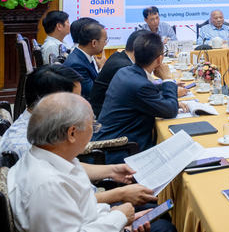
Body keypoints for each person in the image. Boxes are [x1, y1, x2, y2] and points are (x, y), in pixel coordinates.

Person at [0, 65, 161, 212]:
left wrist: (111, 170)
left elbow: (65, 166)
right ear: (54, 102)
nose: (83, 104)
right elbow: (62, 205)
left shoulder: (38, 126)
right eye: (77, 99)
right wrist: (118, 202)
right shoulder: (29, 144)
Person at [8, 93, 153, 232]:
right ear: (72, 133)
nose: (94, 130)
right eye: (93, 125)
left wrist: (111, 215)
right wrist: (118, 218)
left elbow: (82, 208)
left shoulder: (49, 156)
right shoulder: (47, 186)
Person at [94, 33, 188, 161]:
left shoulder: (125, 71)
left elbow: (145, 96)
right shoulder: (140, 85)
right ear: (160, 59)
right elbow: (170, 111)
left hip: (108, 139)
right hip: (119, 149)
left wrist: (164, 97)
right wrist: (167, 79)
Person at [63, 22, 107, 99]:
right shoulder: (76, 64)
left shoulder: (84, 56)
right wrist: (103, 68)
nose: (105, 44)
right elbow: (93, 93)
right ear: (94, 43)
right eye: (104, 40)